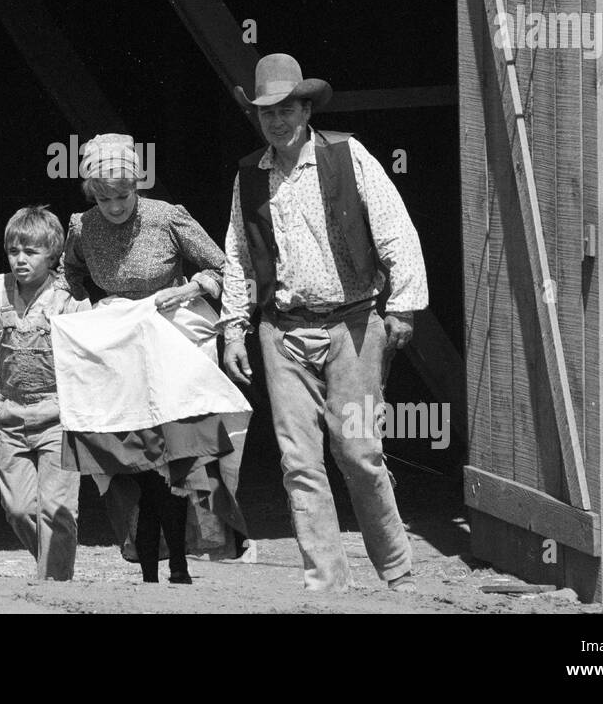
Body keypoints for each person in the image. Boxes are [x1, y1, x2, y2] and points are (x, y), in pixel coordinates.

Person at [220, 53, 428, 594]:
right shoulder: (249, 175)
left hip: (354, 326)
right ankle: (326, 587)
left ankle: (399, 574)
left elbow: (396, 231)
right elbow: (238, 258)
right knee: (299, 462)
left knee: (359, 453)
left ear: (306, 108)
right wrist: (234, 328)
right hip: (282, 331)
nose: (276, 121)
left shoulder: (347, 156)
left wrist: (403, 304)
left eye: (286, 108)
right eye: (267, 112)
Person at [60, 134, 251, 585]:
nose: (114, 206)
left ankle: (188, 557)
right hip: (122, 348)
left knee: (179, 455)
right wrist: (88, 310)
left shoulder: (167, 218)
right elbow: (72, 273)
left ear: (137, 186)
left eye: (123, 195)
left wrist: (185, 290)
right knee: (134, 462)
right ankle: (147, 563)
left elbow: (226, 268)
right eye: (103, 198)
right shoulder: (82, 226)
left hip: (171, 339)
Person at [0, 206, 89, 581]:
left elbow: (89, 356)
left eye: (31, 252)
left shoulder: (69, 297)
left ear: (53, 255)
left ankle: (53, 586)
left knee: (58, 509)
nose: (21, 260)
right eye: (15, 251)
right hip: (11, 417)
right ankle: (52, 567)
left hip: (59, 417)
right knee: (18, 508)